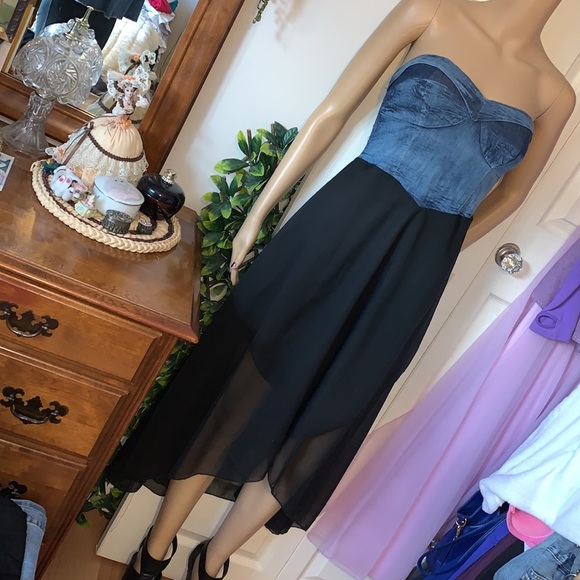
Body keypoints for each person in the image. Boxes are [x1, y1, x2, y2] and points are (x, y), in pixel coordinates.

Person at [106, 1, 575, 579]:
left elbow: (513, 197)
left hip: (412, 278)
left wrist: (440, 246)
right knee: (245, 382)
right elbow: (331, 112)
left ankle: (214, 559)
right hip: (335, 232)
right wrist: (259, 211)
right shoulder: (431, 12)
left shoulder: (555, 95)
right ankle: (156, 547)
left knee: (326, 417)